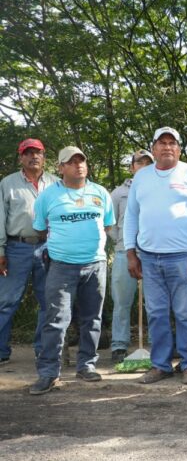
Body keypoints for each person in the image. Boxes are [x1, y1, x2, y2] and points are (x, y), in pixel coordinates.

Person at [124, 126, 187, 385]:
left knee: (185, 312)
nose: (167, 147)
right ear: (153, 149)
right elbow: (131, 215)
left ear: (179, 149)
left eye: (172, 143)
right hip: (149, 257)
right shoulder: (142, 177)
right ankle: (160, 365)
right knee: (156, 312)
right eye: (161, 143)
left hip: (184, 256)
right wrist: (131, 252)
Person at [29, 146, 115, 394]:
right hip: (61, 266)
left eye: (81, 160)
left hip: (95, 265)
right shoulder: (47, 196)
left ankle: (86, 365)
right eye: (71, 161)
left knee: (92, 319)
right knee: (55, 320)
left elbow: (107, 225)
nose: (78, 165)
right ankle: (48, 373)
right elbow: (40, 230)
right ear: (60, 167)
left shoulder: (100, 193)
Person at [0, 138, 58, 365]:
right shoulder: (8, 183)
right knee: (6, 301)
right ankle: (1, 351)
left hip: (49, 248)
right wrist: (0, 251)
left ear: (44, 157)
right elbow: (0, 219)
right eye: (29, 153)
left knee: (49, 301)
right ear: (21, 157)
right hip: (16, 247)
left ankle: (43, 350)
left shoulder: (55, 183)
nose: (34, 157)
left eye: (38, 153)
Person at [108, 149, 154, 363]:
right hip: (123, 254)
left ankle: (157, 344)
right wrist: (124, 242)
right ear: (132, 167)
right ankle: (119, 345)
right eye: (139, 162)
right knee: (122, 302)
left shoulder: (159, 189)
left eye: (148, 162)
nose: (143, 166)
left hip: (153, 254)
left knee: (154, 303)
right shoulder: (118, 193)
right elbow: (109, 223)